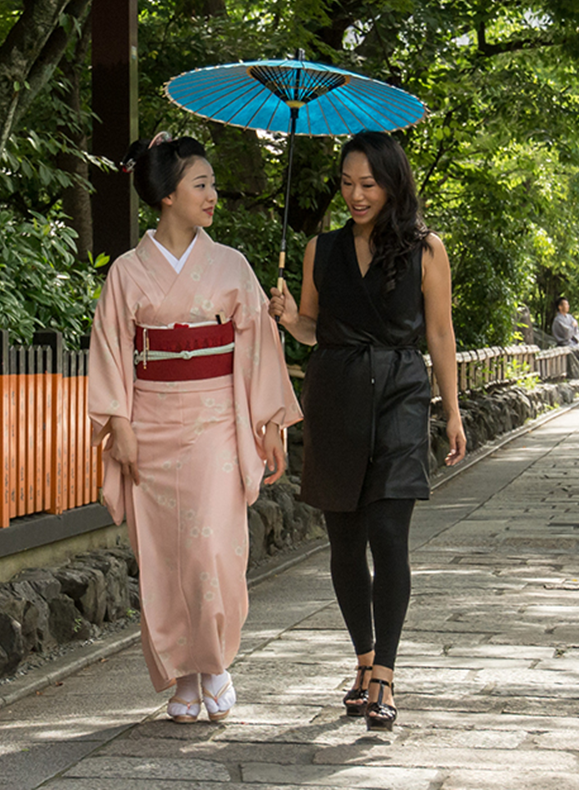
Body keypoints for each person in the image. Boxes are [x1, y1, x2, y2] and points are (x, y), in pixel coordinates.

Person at [88, 133, 302, 724]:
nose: (212, 195)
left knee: (211, 549)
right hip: (151, 419)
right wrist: (118, 423)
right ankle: (182, 675)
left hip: (214, 420)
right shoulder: (128, 273)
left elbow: (257, 348)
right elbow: (110, 350)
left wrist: (268, 424)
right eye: (200, 185)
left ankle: (215, 663)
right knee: (162, 554)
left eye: (211, 184)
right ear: (166, 195)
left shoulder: (231, 265)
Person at [268, 131, 466, 733]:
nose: (356, 195)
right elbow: (312, 329)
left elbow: (440, 336)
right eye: (348, 183)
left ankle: (385, 672)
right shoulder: (318, 250)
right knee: (344, 542)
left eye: (369, 184)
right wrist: (286, 317)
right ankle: (361, 659)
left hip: (401, 395)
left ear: (392, 183)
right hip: (334, 394)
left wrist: (452, 410)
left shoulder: (425, 250)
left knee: (388, 533)